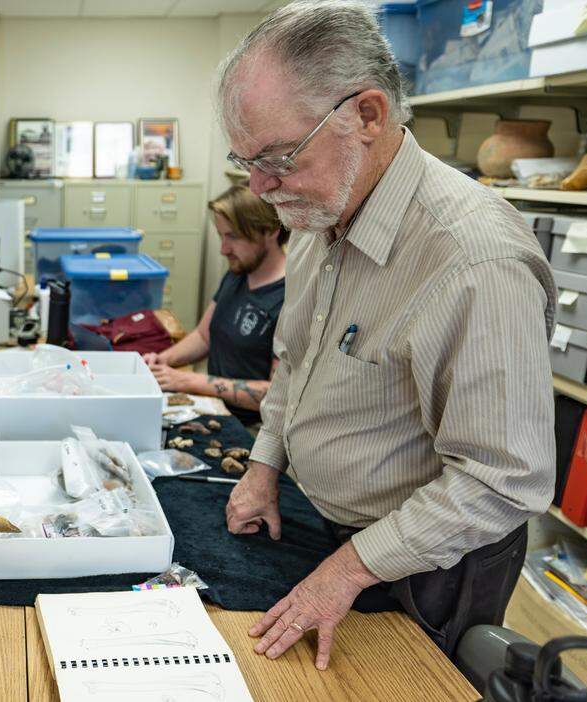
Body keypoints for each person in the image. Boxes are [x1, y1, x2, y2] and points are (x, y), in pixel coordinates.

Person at [215, 0, 556, 670]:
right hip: (321, 524)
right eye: (244, 159)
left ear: (367, 116)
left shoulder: (472, 261)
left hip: (427, 564)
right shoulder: (320, 212)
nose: (259, 186)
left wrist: (347, 571)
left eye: (278, 156)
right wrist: (264, 465)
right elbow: (297, 361)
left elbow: (502, 480)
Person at [144, 183, 286, 428]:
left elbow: (275, 395)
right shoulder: (239, 271)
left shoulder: (290, 298)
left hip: (251, 428)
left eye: (233, 236)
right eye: (221, 236)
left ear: (271, 231)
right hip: (212, 407)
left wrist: (189, 381)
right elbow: (203, 336)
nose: (223, 249)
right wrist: (162, 362)